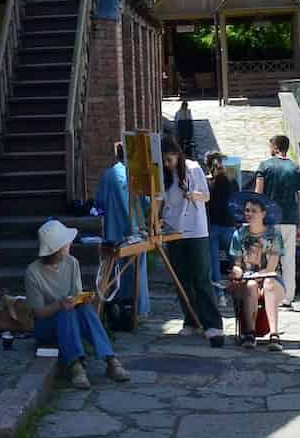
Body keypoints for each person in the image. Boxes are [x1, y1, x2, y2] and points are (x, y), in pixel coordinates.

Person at [24, 219, 130, 389]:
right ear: (58, 249)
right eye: (66, 243)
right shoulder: (33, 272)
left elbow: (76, 296)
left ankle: (111, 360)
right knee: (65, 312)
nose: (70, 244)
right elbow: (38, 313)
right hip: (47, 325)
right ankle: (75, 366)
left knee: (84, 308)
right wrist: (59, 305)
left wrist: (85, 298)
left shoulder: (72, 263)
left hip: (71, 319)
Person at [160, 136, 225, 348]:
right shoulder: (163, 174)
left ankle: (212, 324)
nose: (168, 164)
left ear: (177, 154)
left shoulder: (193, 168)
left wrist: (192, 195)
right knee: (182, 279)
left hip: (195, 231)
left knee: (201, 277)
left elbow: (206, 196)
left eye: (170, 159)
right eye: (165, 161)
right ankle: (191, 319)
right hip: (173, 230)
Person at [94, 141, 150, 323]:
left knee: (113, 272)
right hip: (134, 231)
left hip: (113, 232)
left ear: (116, 155)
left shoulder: (108, 175)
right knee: (138, 269)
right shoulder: (135, 175)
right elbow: (146, 203)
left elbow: (100, 203)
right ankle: (140, 309)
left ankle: (115, 306)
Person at [255, 133, 300, 309]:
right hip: (290, 220)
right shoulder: (295, 169)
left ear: (275, 147)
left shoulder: (265, 167)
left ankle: (269, 293)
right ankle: (288, 296)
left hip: (270, 219)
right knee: (288, 260)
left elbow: (258, 195)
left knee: (270, 258)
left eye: (271, 146)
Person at [229, 196, 285, 349]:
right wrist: (236, 271)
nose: (249, 214)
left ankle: (274, 335)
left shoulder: (274, 234)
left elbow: (271, 268)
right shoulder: (239, 234)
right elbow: (238, 264)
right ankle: (250, 333)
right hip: (248, 281)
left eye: (254, 211)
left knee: (268, 283)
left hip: (271, 279)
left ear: (263, 214)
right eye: (247, 210)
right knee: (251, 285)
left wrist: (258, 276)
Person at [205, 150, 238, 308]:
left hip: (212, 226)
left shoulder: (208, 182)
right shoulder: (232, 181)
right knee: (235, 261)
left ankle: (220, 296)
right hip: (229, 225)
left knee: (214, 263)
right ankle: (237, 291)